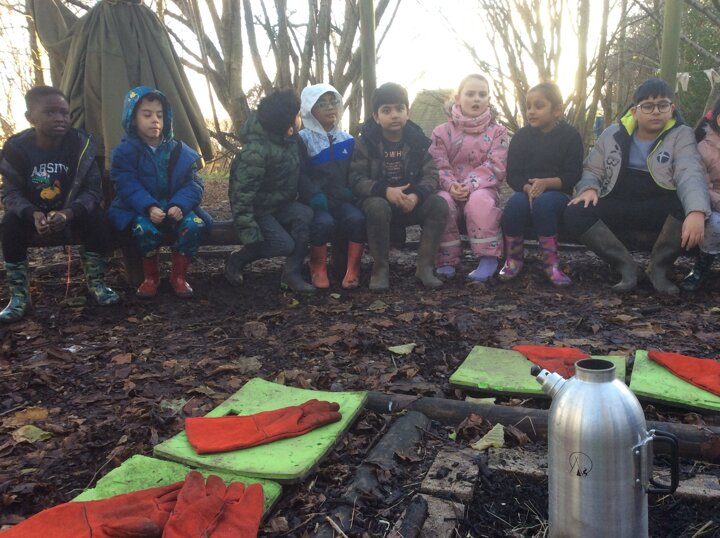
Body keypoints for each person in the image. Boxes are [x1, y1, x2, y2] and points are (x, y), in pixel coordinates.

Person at [566, 78, 711, 295]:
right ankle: (627, 267)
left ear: (672, 109)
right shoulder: (612, 134)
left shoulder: (682, 135)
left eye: (663, 105)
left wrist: (696, 211)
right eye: (648, 106)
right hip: (619, 201)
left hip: (659, 206)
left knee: (688, 207)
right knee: (575, 211)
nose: (656, 111)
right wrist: (589, 187)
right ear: (635, 112)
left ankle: (658, 269)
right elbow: (592, 169)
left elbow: (689, 172)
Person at [0, 86, 119, 322]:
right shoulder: (16, 149)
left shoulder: (81, 144)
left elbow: (92, 191)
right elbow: (11, 193)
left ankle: (97, 283)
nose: (60, 118)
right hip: (33, 215)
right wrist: (32, 213)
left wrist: (67, 213)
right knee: (9, 224)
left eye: (64, 113)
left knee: (99, 218)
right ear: (30, 117)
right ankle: (19, 296)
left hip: (71, 212)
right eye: (50, 112)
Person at [108, 87, 212, 299]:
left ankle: (178, 276)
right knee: (143, 230)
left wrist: (180, 205)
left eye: (159, 115)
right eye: (147, 115)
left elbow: (194, 183)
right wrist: (148, 206)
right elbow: (126, 185)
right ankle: (151, 277)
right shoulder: (124, 153)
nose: (154, 120)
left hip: (175, 208)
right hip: (140, 209)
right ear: (133, 119)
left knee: (195, 225)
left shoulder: (179, 150)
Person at [349, 82, 448, 290]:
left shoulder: (418, 141)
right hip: (378, 202)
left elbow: (431, 175)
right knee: (377, 207)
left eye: (399, 109)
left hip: (410, 202)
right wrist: (385, 191)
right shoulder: (366, 142)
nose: (394, 115)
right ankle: (380, 269)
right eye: (386, 110)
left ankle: (425, 267)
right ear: (376, 117)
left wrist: (416, 196)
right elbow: (356, 179)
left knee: (438, 204)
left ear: (407, 112)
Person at [224, 89, 315, 293]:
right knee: (283, 244)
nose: (300, 119)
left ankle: (292, 274)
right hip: (259, 210)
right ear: (287, 124)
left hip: (280, 204)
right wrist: (248, 230)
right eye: (297, 115)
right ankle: (237, 259)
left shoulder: (290, 141)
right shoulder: (255, 152)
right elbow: (241, 195)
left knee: (304, 214)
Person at [500, 82, 583, 286]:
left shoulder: (570, 136)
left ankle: (550, 263)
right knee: (514, 205)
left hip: (557, 193)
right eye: (528, 106)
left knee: (544, 204)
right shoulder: (521, 137)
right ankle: (513, 259)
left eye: (539, 106)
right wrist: (528, 188)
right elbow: (513, 174)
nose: (531, 111)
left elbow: (573, 174)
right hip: (526, 191)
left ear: (557, 109)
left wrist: (546, 183)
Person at [429, 74, 508, 281]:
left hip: (483, 187)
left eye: (482, 94)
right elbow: (437, 164)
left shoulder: (498, 132)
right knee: (442, 203)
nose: (476, 99)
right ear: (458, 98)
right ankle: (446, 259)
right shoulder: (441, 133)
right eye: (470, 94)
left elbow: (496, 164)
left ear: (488, 99)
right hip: (449, 188)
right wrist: (451, 185)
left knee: (480, 202)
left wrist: (470, 185)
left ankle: (488, 258)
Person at [297, 83, 364, 289]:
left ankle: (352, 269)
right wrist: (313, 195)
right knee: (323, 223)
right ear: (310, 109)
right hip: (318, 201)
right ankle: (317, 266)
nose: (329, 108)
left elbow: (355, 170)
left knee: (357, 219)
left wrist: (352, 190)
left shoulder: (347, 140)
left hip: (342, 198)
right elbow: (300, 174)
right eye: (322, 104)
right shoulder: (302, 140)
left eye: (333, 102)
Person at [680, 98, 720, 291]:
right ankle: (700, 268)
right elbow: (703, 185)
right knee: (715, 225)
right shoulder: (705, 148)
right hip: (713, 203)